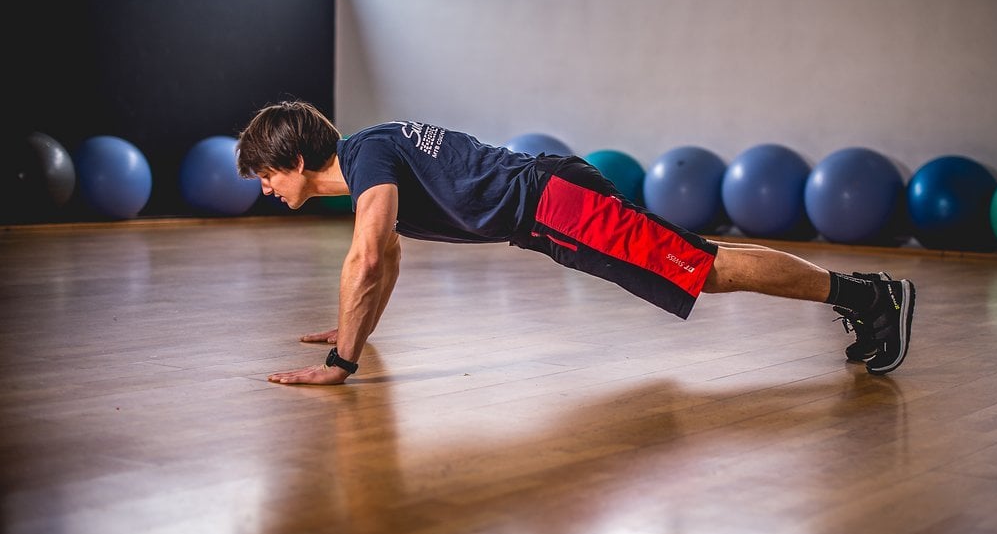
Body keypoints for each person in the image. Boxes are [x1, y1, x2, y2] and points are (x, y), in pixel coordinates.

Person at [236, 100, 916, 386]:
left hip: (554, 203)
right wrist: (356, 323)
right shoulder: (370, 150)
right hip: (553, 196)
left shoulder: (367, 161)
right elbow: (385, 257)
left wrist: (342, 360)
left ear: (294, 159)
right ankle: (862, 295)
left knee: (706, 268)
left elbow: (368, 254)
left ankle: (868, 295)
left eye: (266, 174)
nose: (265, 187)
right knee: (702, 260)